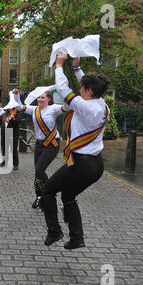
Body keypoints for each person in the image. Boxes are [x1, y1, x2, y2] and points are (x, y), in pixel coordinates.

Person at [40, 54, 110, 250]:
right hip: (96, 165)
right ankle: (77, 238)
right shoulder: (100, 104)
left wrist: (59, 65)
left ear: (88, 91)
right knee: (68, 196)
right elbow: (88, 84)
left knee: (47, 192)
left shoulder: (84, 106)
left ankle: (54, 231)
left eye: (82, 88)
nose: (78, 91)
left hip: (81, 164)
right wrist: (77, 67)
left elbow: (63, 89)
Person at [13, 88, 64, 209]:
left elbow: (66, 107)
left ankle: (48, 194)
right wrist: (16, 95)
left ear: (49, 99)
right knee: (38, 173)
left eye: (43, 97)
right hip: (40, 145)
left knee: (40, 170)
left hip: (52, 144)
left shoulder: (54, 109)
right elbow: (19, 107)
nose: (40, 99)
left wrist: (65, 93)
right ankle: (39, 197)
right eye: (39, 98)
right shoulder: (34, 109)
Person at [0, 106, 20, 170]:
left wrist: (13, 118)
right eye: (9, 107)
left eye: (11, 107)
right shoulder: (4, 114)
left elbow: (17, 123)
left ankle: (15, 164)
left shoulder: (16, 115)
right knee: (4, 148)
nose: (9, 108)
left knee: (13, 149)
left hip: (13, 134)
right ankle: (4, 162)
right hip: (5, 133)